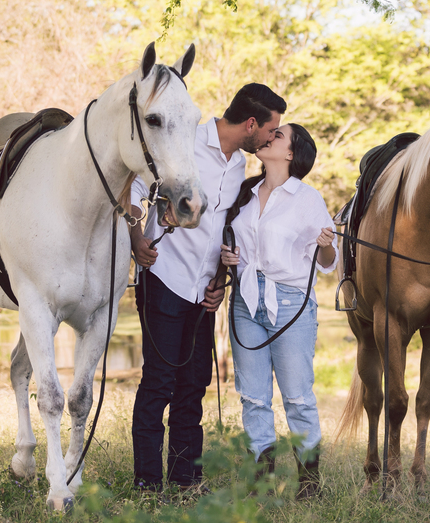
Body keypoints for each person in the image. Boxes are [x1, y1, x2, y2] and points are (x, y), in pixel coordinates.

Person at [129, 83, 287, 492]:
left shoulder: (239, 166)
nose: (272, 138)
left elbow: (221, 229)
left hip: (204, 293)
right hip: (164, 277)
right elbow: (132, 189)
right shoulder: (185, 140)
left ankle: (185, 480)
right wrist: (135, 238)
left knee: (193, 386)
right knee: (158, 382)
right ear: (251, 123)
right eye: (271, 130)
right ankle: (147, 483)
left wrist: (218, 280)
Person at [219, 123, 337, 499]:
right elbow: (231, 239)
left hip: (289, 303)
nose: (269, 137)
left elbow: (328, 261)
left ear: (291, 153)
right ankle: (262, 482)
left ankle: (309, 482)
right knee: (253, 396)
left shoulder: (307, 199)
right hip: (245, 299)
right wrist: (230, 257)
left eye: (279, 135)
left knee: (297, 396)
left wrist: (325, 244)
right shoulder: (245, 192)